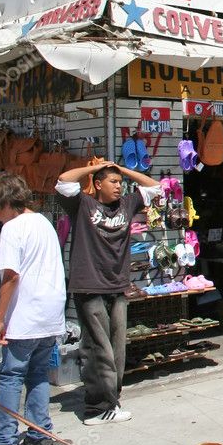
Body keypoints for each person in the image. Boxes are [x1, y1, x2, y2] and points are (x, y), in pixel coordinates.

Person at [56, 161, 160, 426]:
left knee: (117, 349)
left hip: (118, 286)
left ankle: (111, 401)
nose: (118, 186)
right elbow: (64, 180)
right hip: (89, 286)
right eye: (112, 182)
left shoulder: (127, 204)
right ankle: (96, 408)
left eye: (120, 183)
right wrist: (96, 168)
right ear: (98, 184)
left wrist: (122, 170)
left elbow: (154, 186)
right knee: (96, 347)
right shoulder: (82, 205)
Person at [0, 174, 66, 445]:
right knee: (38, 375)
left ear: (8, 202)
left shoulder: (13, 228)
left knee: (11, 377)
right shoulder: (44, 222)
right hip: (50, 314)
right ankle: (39, 435)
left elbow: (11, 276)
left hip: (25, 315)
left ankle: (5, 440)